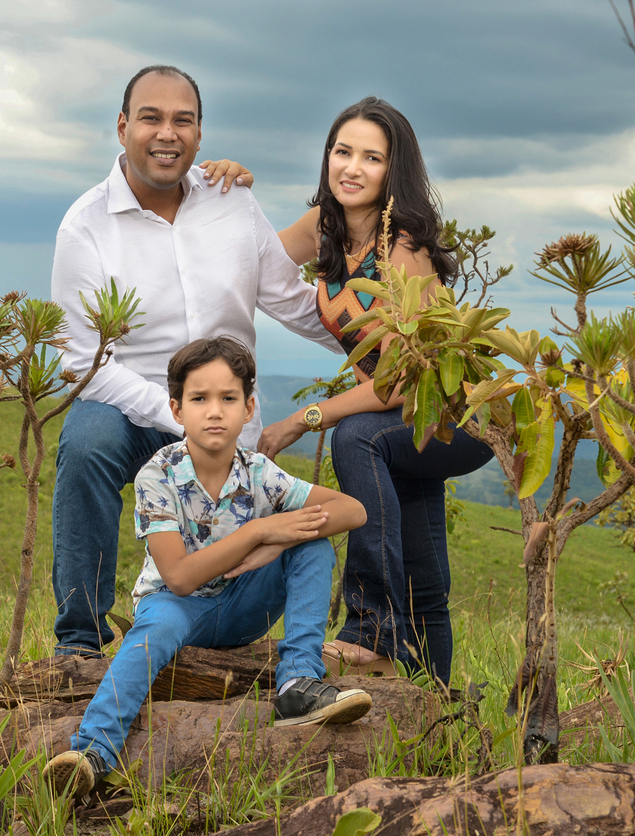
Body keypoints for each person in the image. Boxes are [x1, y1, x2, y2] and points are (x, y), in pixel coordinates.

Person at [49, 65, 343, 657]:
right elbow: (81, 361)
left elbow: (289, 298)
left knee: (253, 555)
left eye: (183, 120)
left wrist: (382, 348)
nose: (167, 133)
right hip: (132, 411)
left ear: (201, 134)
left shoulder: (233, 204)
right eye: (151, 118)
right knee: (86, 442)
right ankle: (79, 644)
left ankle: (245, 643)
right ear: (122, 126)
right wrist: (174, 410)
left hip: (226, 420)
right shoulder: (86, 226)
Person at [207, 98, 495, 685]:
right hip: (404, 430)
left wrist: (300, 420)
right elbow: (252, 251)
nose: (352, 168)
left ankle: (370, 631)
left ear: (395, 170)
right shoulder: (325, 226)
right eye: (343, 152)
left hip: (456, 420)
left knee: (356, 435)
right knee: (423, 574)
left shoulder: (405, 251)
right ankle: (436, 709)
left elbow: (394, 384)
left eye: (372, 157)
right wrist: (231, 189)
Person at [43, 337, 371, 799]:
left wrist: (277, 544)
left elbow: (352, 511)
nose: (214, 411)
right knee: (150, 633)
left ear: (249, 407)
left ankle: (298, 683)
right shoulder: (158, 475)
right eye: (199, 399)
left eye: (228, 398)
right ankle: (93, 751)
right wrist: (258, 533)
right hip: (175, 608)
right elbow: (178, 576)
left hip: (242, 607)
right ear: (176, 410)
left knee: (311, 545)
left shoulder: (258, 472)